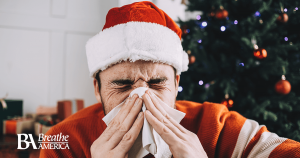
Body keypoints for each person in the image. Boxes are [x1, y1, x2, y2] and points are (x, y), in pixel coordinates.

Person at [40, 1, 300, 158]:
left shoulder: (218, 126)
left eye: (156, 83)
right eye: (122, 84)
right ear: (97, 88)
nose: (142, 97)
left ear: (176, 83)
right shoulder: (63, 140)